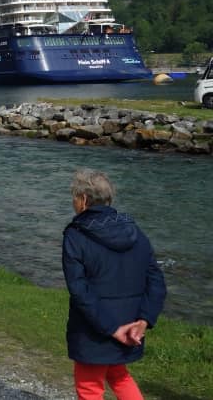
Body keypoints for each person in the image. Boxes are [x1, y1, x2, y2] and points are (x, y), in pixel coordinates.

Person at [62, 169, 166, 400]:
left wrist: (111, 328)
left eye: (74, 197)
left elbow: (79, 290)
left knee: (89, 387)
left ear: (84, 200)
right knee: (119, 376)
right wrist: (144, 319)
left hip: (94, 329)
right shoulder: (135, 231)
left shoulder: (76, 235)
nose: (73, 202)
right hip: (130, 325)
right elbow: (156, 280)